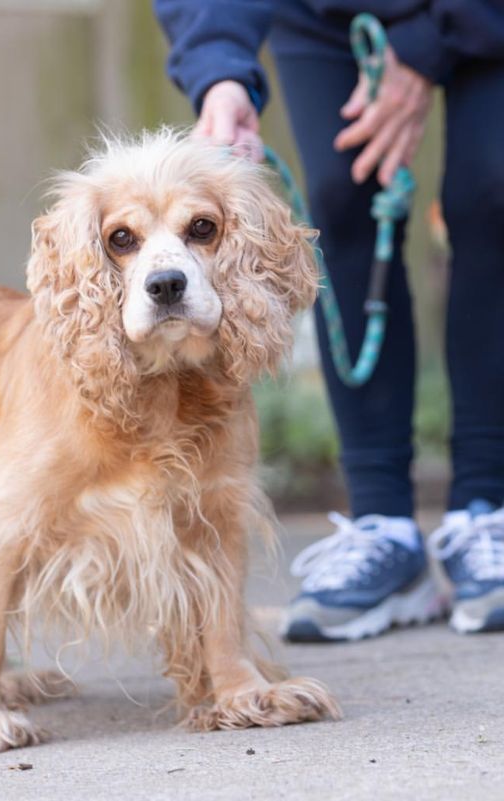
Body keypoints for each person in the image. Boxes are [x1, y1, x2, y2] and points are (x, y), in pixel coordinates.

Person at [154, 0, 504, 640]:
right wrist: (220, 71)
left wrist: (431, 41)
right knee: (342, 202)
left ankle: (488, 505)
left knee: (491, 193)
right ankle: (383, 528)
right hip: (324, 11)